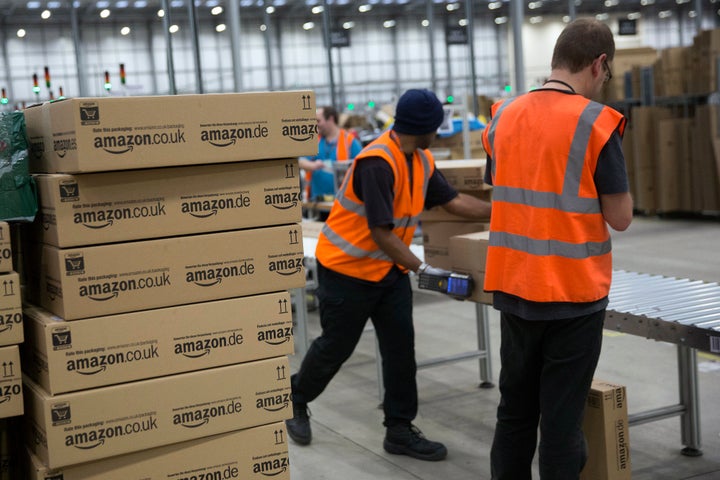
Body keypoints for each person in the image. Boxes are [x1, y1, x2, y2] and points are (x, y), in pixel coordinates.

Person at [288, 89, 492, 461]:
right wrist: (424, 269)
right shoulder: (377, 163)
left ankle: (398, 429)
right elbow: (381, 231)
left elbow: (452, 201)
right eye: (437, 128)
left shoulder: (421, 158)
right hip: (347, 271)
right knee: (337, 347)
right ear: (424, 129)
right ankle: (295, 399)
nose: (440, 133)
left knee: (400, 350)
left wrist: (502, 213)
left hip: (388, 271)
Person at [480, 18, 634, 479]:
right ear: (599, 63)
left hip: (514, 289)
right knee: (561, 427)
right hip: (572, 297)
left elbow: (500, 184)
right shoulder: (596, 122)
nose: (602, 84)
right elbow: (620, 218)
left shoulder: (503, 116)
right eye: (605, 75)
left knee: (514, 414)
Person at [299, 106, 363, 203]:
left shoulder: (349, 141)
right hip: (317, 200)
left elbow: (362, 166)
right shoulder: (314, 140)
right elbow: (300, 160)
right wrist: (313, 165)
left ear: (331, 119)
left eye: (318, 121)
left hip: (343, 202)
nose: (315, 124)